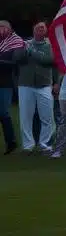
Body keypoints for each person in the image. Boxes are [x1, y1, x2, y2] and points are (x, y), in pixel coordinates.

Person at [14, 21, 57, 153]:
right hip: (25, 84)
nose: (40, 30)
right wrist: (23, 49)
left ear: (46, 30)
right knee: (26, 116)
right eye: (37, 28)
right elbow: (17, 58)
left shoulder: (50, 45)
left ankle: (45, 143)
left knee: (47, 116)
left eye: (42, 28)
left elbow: (49, 60)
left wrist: (31, 51)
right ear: (33, 30)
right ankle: (28, 145)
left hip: (44, 84)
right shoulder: (24, 44)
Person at [0, 20, 21, 154]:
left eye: (2, 28)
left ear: (8, 28)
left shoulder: (15, 42)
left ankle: (11, 141)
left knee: (3, 112)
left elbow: (14, 62)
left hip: (5, 83)